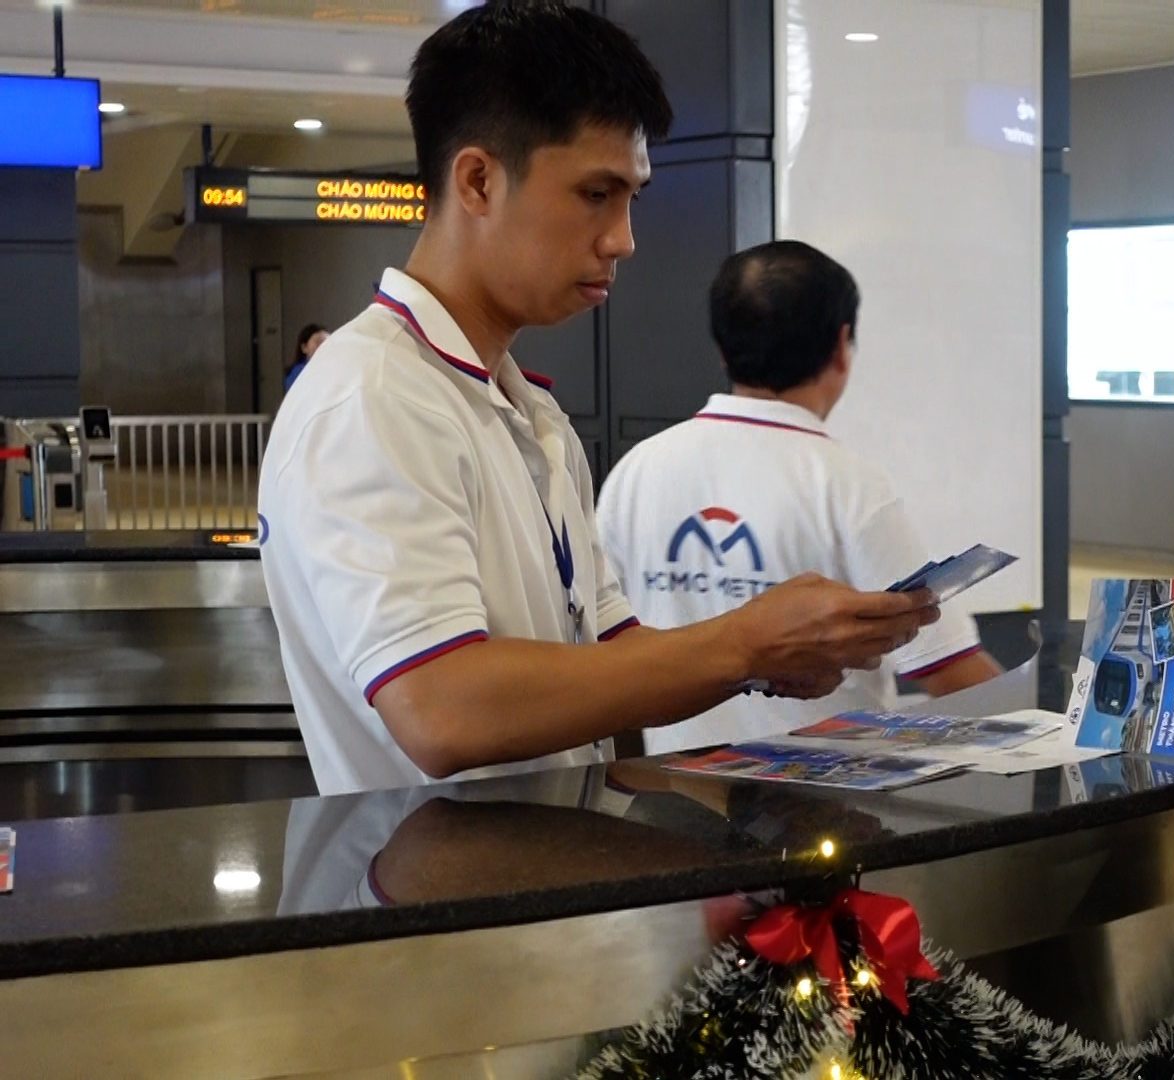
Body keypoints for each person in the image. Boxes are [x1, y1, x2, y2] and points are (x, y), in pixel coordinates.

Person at [257, 0, 937, 795]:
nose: (622, 238)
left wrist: (773, 654)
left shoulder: (529, 416)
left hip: (549, 891)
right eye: (595, 194)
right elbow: (441, 708)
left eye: (631, 199)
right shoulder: (373, 398)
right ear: (477, 180)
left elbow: (614, 656)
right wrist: (744, 643)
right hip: (429, 902)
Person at [598, 240, 1002, 754]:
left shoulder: (635, 472)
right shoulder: (847, 484)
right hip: (829, 806)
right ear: (841, 346)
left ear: (722, 348)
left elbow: (603, 645)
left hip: (675, 794)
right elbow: (944, 666)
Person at [285, 324, 329, 391]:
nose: (324, 346)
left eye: (327, 342)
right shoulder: (298, 373)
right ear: (304, 348)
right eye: (318, 342)